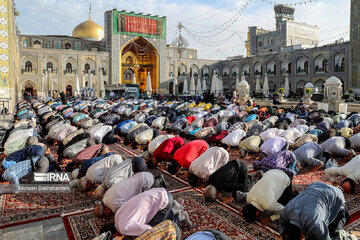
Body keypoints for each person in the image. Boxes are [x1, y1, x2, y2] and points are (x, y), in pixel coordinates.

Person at [278, 182, 349, 240]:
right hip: (316, 185)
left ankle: (344, 214)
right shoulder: (286, 210)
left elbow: (325, 238)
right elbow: (281, 224)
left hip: (336, 195)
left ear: (302, 235)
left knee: (334, 231)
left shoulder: (315, 223)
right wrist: (283, 233)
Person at [114, 188, 189, 236]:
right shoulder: (117, 217)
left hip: (163, 201)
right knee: (155, 218)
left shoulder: (125, 229)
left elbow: (150, 230)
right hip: (158, 192)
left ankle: (181, 217)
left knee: (159, 228)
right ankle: (175, 208)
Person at [95, 172, 166, 215]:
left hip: (146, 182)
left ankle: (158, 181)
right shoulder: (105, 195)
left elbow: (128, 210)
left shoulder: (114, 206)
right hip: (141, 175)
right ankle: (156, 180)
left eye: (106, 215)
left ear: (105, 211)